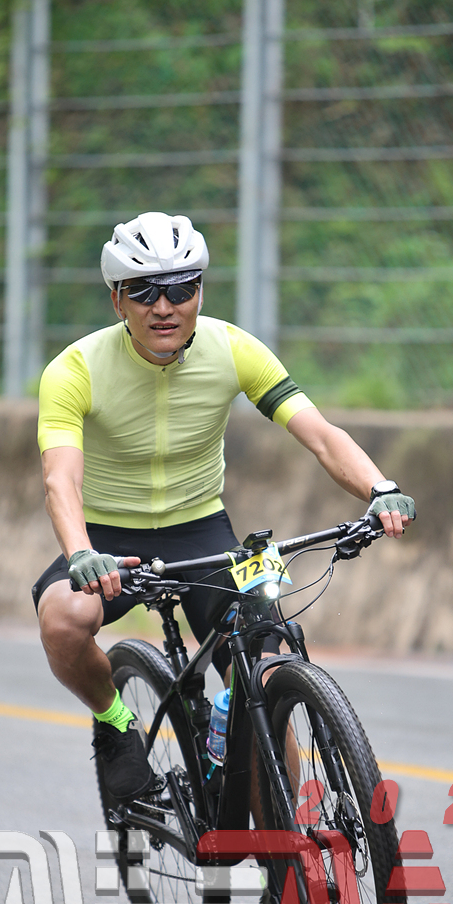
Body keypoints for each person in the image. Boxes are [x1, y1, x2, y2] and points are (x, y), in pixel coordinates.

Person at [31, 211, 416, 801]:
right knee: (63, 619)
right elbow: (61, 479)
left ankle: (285, 833)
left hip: (202, 531)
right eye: (144, 292)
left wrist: (380, 489)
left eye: (180, 289)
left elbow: (319, 434)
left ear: (201, 292)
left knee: (264, 666)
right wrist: (81, 552)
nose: (164, 307)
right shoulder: (74, 369)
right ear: (117, 300)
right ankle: (114, 722)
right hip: (105, 539)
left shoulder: (233, 349)